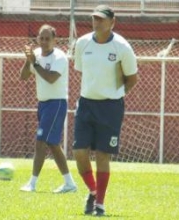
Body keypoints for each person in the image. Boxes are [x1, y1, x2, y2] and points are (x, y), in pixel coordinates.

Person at [73, 5, 138, 216]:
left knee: (102, 155)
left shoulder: (122, 47)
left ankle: (99, 204)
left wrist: (115, 95)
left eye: (101, 19)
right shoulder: (82, 43)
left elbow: (132, 78)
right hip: (86, 104)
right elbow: (83, 70)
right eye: (94, 18)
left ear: (112, 22)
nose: (97, 22)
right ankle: (93, 190)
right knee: (79, 152)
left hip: (110, 107)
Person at [19, 24, 77, 193]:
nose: (43, 42)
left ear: (54, 40)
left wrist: (35, 64)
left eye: (47, 39)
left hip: (56, 103)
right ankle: (69, 183)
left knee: (40, 142)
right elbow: (23, 77)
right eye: (41, 38)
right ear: (37, 39)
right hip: (43, 104)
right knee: (52, 144)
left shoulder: (59, 57)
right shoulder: (35, 55)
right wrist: (28, 60)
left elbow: (51, 79)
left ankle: (32, 183)